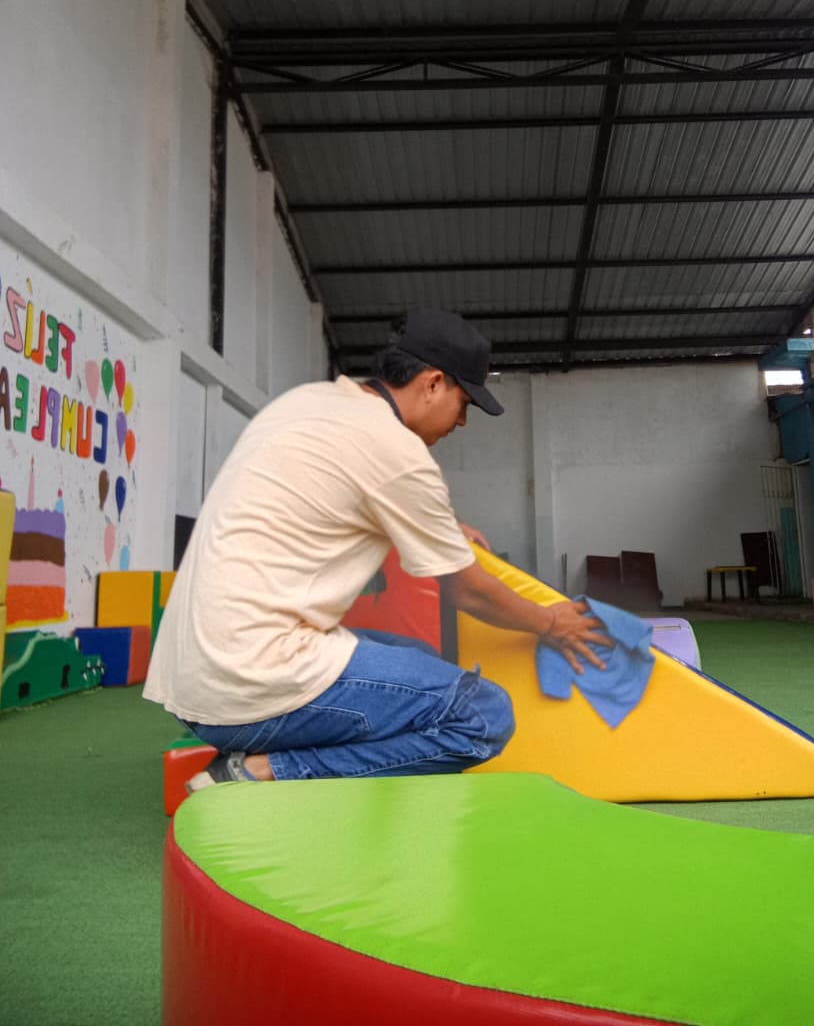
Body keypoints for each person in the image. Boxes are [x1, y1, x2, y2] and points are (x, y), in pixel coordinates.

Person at [143, 309, 611, 787]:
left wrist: (444, 527)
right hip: (247, 688)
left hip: (193, 679)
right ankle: (263, 770)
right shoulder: (399, 452)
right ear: (433, 384)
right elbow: (466, 591)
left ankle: (270, 748)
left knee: (416, 654)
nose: (462, 421)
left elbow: (336, 490)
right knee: (483, 714)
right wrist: (552, 622)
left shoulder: (309, 402)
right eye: (464, 403)